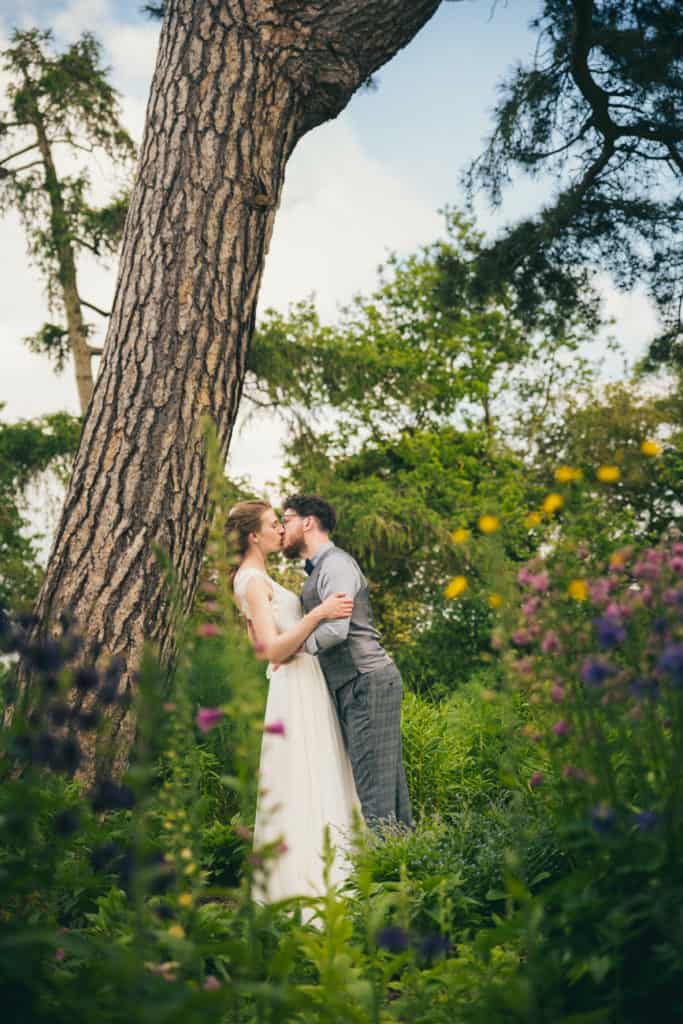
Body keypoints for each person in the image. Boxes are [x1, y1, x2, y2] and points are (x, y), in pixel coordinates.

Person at [228, 500, 361, 906]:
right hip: (294, 685)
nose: (280, 531)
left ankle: (337, 875)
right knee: (303, 778)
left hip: (305, 681)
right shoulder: (251, 580)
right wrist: (319, 613)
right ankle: (309, 888)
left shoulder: (258, 577)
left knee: (320, 772)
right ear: (254, 535)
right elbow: (271, 650)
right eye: (273, 524)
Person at [281, 494, 414, 831]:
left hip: (366, 680)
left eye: (287, 519)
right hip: (356, 685)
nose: (283, 528)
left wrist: (296, 646)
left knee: (376, 793)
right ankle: (409, 871)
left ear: (308, 522)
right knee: (386, 791)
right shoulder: (320, 570)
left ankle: (392, 876)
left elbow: (338, 630)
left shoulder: (336, 564)